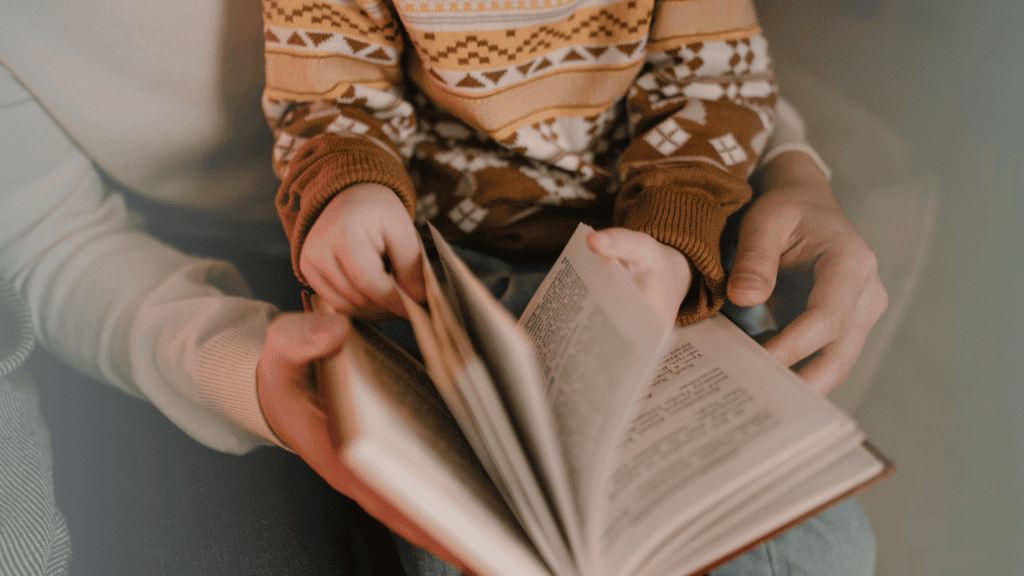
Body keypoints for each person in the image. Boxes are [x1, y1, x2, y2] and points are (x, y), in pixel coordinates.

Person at [0, 1, 882, 574]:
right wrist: (349, 187)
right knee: (461, 545)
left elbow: (713, 79)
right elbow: (330, 88)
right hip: (441, 270)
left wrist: (692, 225)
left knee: (806, 545)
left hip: (659, 254)